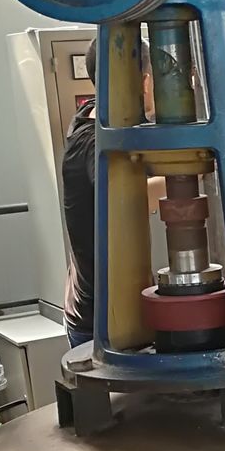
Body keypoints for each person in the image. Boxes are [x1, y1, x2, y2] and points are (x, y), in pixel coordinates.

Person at [63, 36, 161, 348]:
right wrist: (195, 172)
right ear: (144, 82)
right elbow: (124, 199)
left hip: (103, 308)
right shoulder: (94, 142)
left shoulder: (94, 119)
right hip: (101, 322)